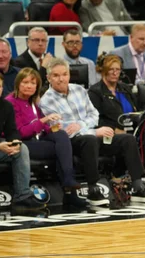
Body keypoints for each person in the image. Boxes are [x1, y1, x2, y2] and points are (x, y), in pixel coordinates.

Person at [5, 68, 85, 208]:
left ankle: (68, 182)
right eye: (25, 82)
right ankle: (69, 192)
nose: (29, 86)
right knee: (63, 151)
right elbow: (20, 133)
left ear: (37, 86)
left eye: (33, 83)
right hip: (21, 144)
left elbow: (44, 128)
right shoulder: (10, 103)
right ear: (18, 83)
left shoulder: (32, 103)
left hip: (37, 140)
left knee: (61, 136)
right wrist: (43, 121)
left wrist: (53, 127)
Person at [88, 54, 145, 202]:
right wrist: (113, 128)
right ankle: (137, 184)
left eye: (117, 69)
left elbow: (137, 110)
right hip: (106, 136)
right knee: (128, 140)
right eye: (111, 69)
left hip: (130, 130)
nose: (114, 72)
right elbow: (93, 119)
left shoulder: (125, 89)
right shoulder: (95, 92)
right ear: (103, 70)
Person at [0, 70, 42, 209]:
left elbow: (12, 131)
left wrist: (15, 142)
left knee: (22, 149)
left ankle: (22, 196)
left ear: (2, 88)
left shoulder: (5, 106)